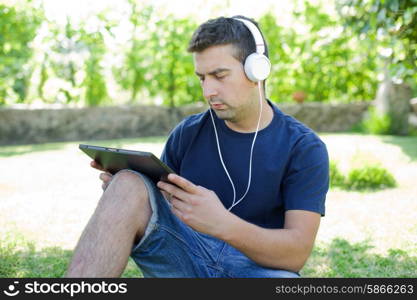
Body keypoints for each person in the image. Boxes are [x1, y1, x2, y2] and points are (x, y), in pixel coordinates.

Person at [66, 15, 329, 278]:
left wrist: (222, 224)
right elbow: (163, 208)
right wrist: (127, 197)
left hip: (259, 270)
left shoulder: (304, 147)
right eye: (202, 78)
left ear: (256, 70)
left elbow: (296, 255)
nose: (208, 91)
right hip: (185, 256)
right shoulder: (187, 133)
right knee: (126, 184)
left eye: (219, 76)